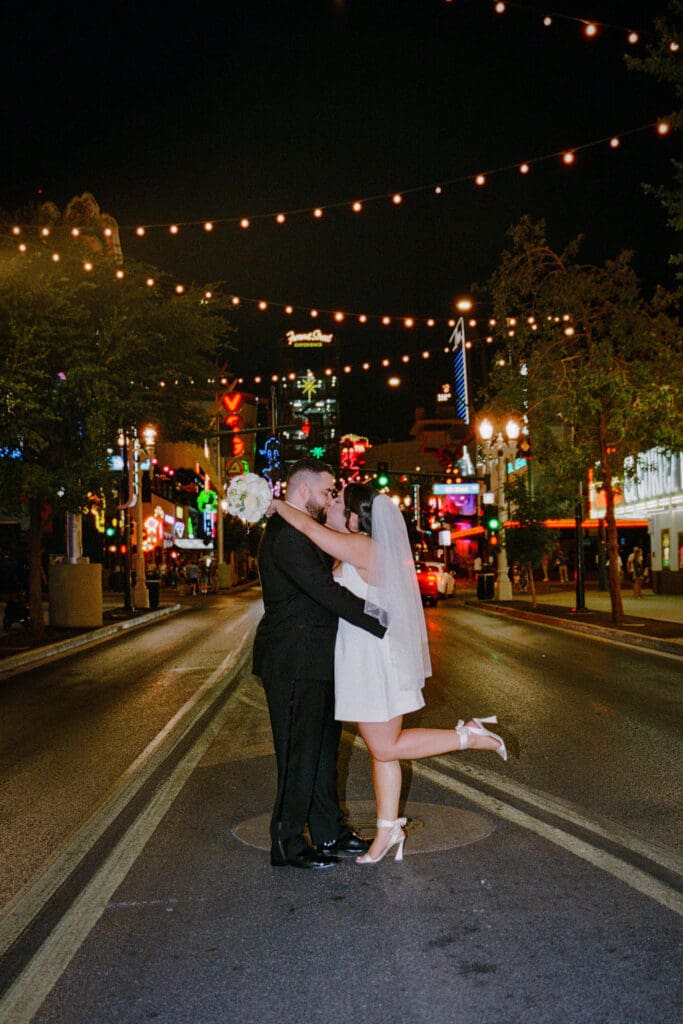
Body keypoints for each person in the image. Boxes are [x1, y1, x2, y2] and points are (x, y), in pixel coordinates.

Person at [272, 483, 507, 866]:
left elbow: (312, 531)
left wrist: (275, 504)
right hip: (366, 657)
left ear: (356, 515)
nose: (332, 503)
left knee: (384, 747)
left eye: (339, 502)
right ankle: (386, 832)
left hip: (374, 661)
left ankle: (469, 736)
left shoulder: (365, 546)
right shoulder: (360, 546)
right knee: (383, 755)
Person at [253, 459, 387, 871]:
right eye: (328, 490)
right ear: (303, 487)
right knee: (298, 753)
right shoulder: (285, 537)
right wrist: (380, 619)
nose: (331, 497)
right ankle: (287, 841)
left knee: (323, 751)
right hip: (293, 660)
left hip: (316, 660)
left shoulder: (298, 531)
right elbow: (324, 591)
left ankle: (328, 830)